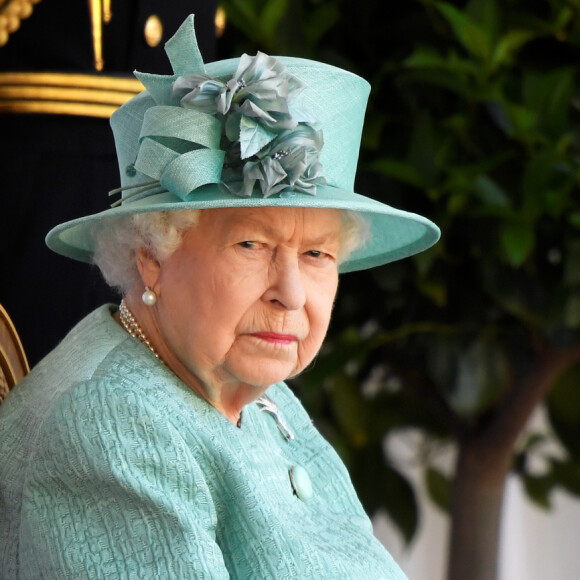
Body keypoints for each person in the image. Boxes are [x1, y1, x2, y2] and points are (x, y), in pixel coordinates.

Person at [0, 15, 440, 579]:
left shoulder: (255, 393)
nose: (291, 294)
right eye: (252, 244)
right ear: (151, 258)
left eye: (317, 255)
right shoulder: (109, 425)